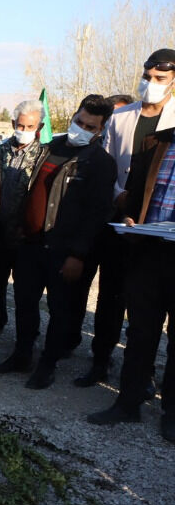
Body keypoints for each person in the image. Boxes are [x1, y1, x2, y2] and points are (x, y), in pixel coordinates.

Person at [0, 96, 116, 389]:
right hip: (31, 244)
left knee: (60, 310)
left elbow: (97, 214)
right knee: (24, 303)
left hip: (64, 250)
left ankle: (47, 364)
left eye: (89, 126)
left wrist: (78, 254)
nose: (80, 128)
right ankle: (22, 355)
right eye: (78, 121)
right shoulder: (51, 148)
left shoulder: (99, 163)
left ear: (100, 130)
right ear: (72, 116)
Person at [75, 49, 175, 387]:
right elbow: (108, 164)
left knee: (145, 306)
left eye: (159, 79)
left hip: (157, 228)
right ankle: (100, 360)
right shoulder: (122, 117)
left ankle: (143, 372)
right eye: (147, 77)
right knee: (110, 296)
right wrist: (118, 193)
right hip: (119, 220)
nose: (151, 84)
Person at [87, 106, 175, 441]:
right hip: (149, 252)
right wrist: (131, 220)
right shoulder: (156, 144)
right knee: (140, 333)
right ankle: (128, 402)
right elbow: (139, 194)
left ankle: (172, 413)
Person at [0, 100, 46, 338]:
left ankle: (27, 336)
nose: (24, 130)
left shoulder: (43, 155)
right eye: (20, 125)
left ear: (38, 127)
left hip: (25, 235)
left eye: (30, 126)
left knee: (25, 290)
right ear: (12, 124)